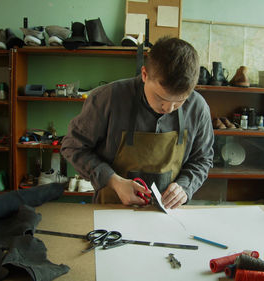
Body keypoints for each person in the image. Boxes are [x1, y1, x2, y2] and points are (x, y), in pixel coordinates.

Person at [61, 37, 214, 209]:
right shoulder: (107, 99)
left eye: (179, 102)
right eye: (160, 98)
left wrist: (185, 186)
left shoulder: (198, 108)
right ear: (144, 74)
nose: (168, 108)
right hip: (112, 210)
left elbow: (202, 159)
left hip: (167, 215)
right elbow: (72, 147)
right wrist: (114, 181)